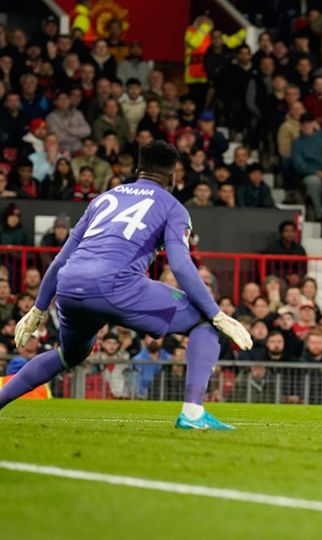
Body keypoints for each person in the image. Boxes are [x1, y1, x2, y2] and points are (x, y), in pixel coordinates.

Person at [1, 141, 252, 429]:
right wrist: (217, 314)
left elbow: (60, 260)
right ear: (173, 178)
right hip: (116, 286)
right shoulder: (173, 206)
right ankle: (193, 414)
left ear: (137, 170)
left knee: (69, 354)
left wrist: (38, 309)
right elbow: (180, 264)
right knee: (203, 323)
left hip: (69, 287)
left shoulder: (102, 199)